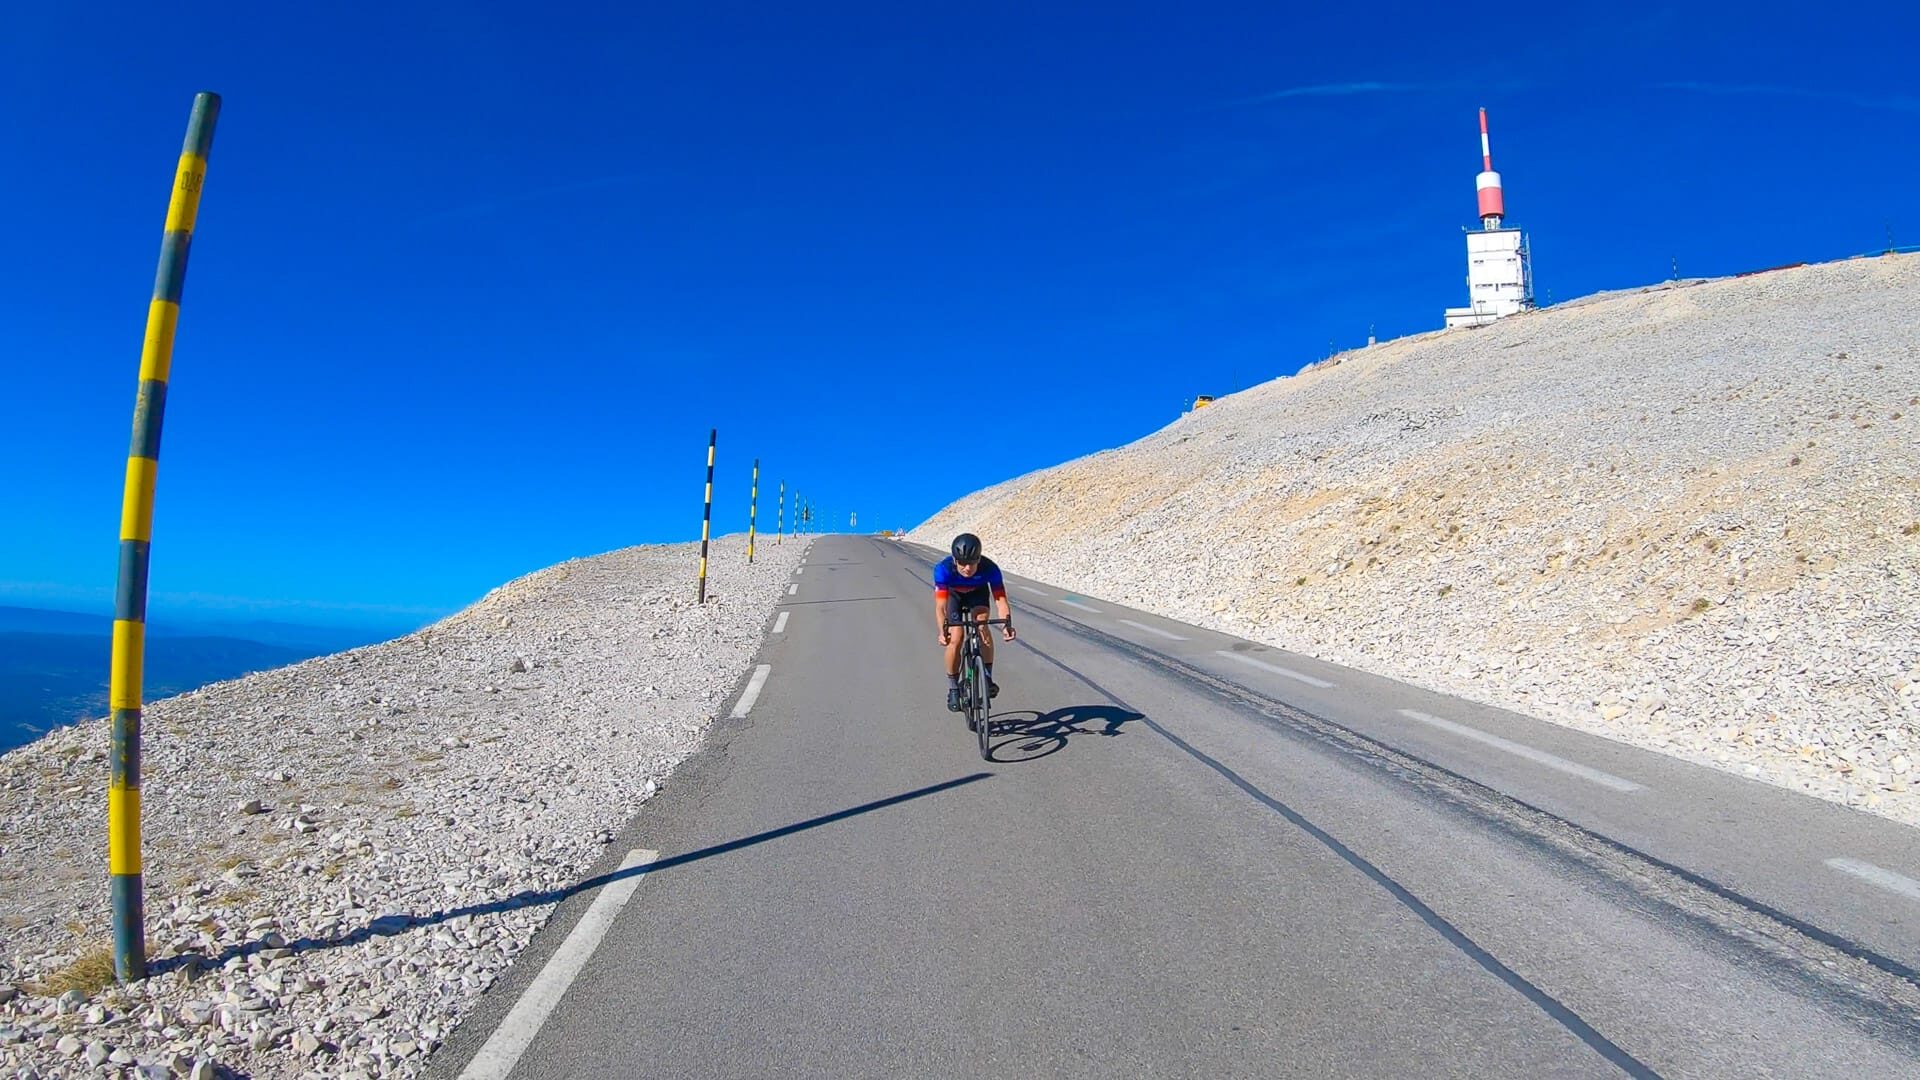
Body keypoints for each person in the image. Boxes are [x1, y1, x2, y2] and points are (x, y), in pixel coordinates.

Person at [934, 532, 1016, 712]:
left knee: (982, 625)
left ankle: (987, 678)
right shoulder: (944, 569)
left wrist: (1006, 625)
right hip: (954, 597)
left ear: (979, 559)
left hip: (978, 594)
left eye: (971, 563)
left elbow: (1000, 600)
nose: (967, 568)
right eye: (962, 563)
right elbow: (940, 606)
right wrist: (942, 631)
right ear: (955, 560)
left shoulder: (990, 569)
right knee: (956, 638)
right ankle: (954, 688)